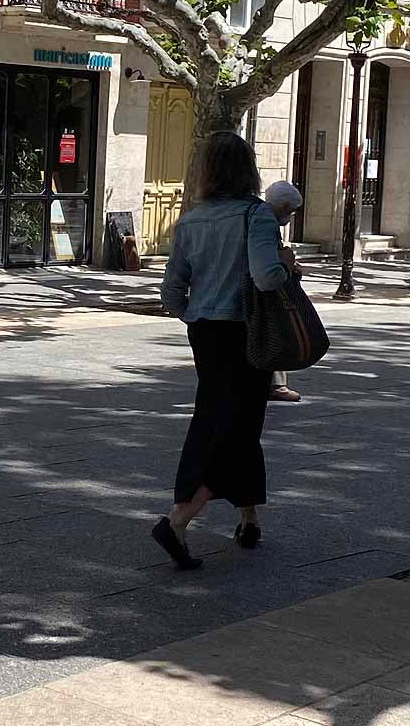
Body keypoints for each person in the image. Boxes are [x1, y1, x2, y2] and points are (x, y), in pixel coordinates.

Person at [153, 132, 297, 569]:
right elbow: (268, 277)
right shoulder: (257, 216)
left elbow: (172, 291)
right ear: (248, 171)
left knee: (223, 417)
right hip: (245, 332)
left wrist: (196, 313)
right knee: (234, 428)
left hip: (205, 332)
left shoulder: (191, 220)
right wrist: (287, 265)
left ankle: (249, 518)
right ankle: (179, 519)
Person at [265, 181, 305, 403]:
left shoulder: (264, 219)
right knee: (277, 331)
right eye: (289, 210)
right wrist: (286, 264)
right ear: (281, 207)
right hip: (269, 289)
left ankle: (277, 384)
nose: (290, 216)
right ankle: (277, 385)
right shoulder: (265, 222)